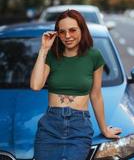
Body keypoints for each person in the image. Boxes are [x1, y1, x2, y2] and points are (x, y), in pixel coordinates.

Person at [30, 9, 122, 160]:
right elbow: (35, 85)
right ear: (57, 34)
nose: (67, 36)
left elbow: (96, 95)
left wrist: (104, 129)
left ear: (82, 30)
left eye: (72, 30)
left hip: (80, 126)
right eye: (62, 32)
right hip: (50, 126)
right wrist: (44, 50)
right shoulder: (52, 56)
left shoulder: (94, 56)